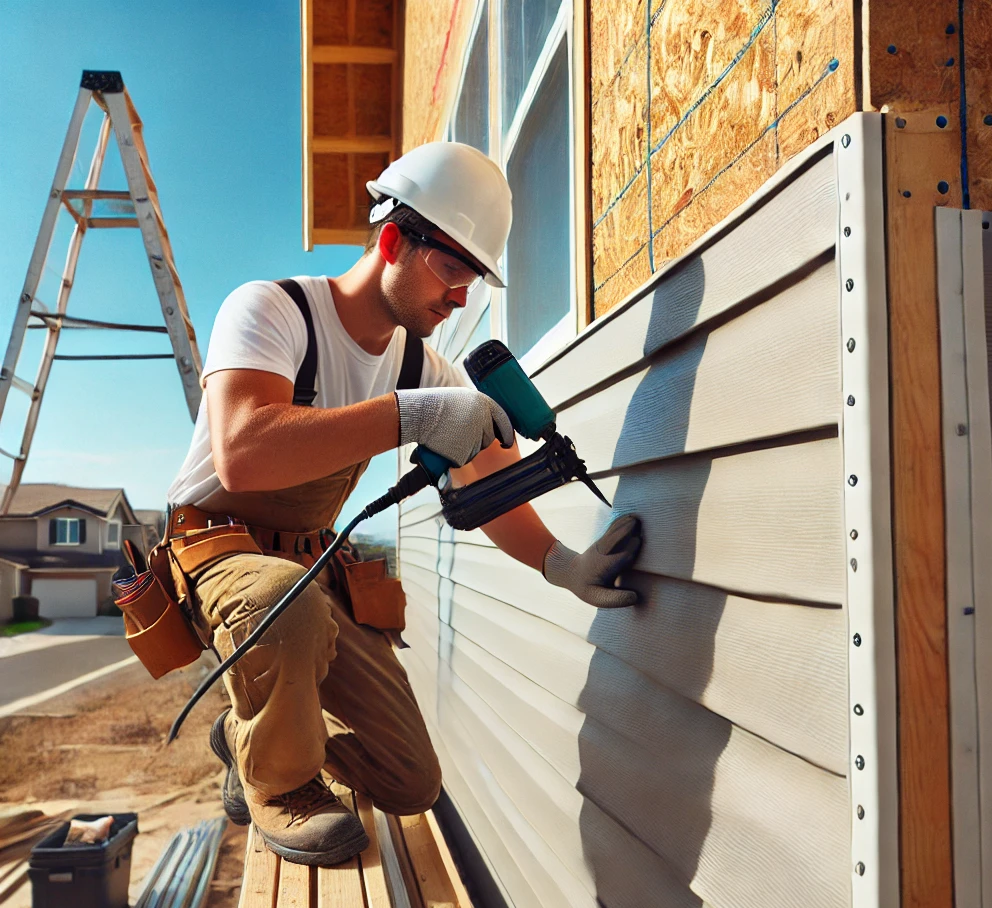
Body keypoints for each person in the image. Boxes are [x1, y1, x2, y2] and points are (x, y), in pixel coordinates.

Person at [165, 142, 643, 866]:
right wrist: (410, 417)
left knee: (410, 780)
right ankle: (279, 787)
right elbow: (244, 448)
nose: (460, 298)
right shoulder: (272, 310)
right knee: (282, 604)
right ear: (392, 239)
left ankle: (244, 737)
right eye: (452, 269)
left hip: (302, 562)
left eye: (472, 279)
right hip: (218, 545)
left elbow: (485, 481)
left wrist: (561, 563)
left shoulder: (422, 365)